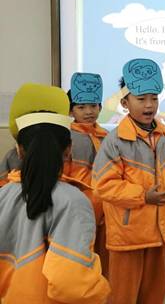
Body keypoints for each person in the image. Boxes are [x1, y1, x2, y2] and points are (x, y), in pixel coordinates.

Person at [92, 58, 165, 304]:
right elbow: (103, 185)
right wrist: (143, 196)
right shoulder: (115, 141)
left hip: (160, 229)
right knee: (123, 294)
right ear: (125, 103)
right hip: (128, 235)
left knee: (154, 291)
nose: (149, 105)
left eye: (154, 98)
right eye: (141, 99)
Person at [0, 83, 110, 303]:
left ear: (19, 151)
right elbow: (71, 285)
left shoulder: (4, 195)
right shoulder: (73, 201)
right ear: (68, 150)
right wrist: (104, 289)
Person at [65, 72, 110, 275]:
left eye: (93, 105)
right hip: (78, 208)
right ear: (71, 110)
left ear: (100, 107)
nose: (89, 111)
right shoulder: (66, 137)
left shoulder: (108, 137)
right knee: (80, 258)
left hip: (106, 208)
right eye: (81, 107)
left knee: (103, 259)